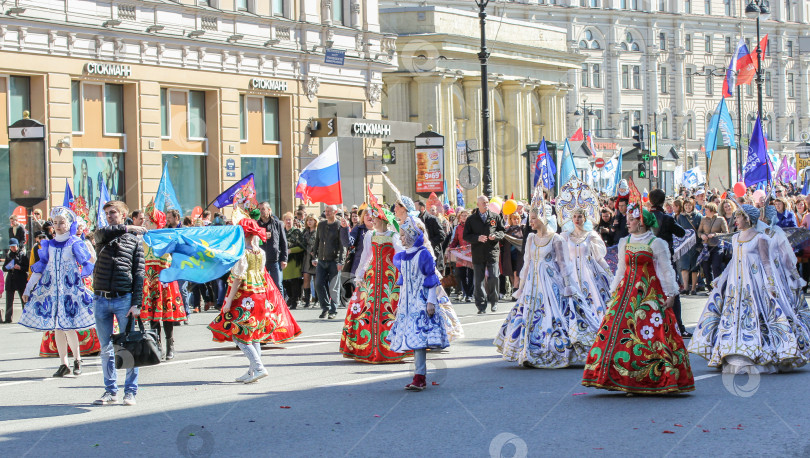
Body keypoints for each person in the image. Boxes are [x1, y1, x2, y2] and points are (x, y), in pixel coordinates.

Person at [582, 202, 694, 394]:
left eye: (632, 220)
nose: (628, 223)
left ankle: (651, 375)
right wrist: (614, 290)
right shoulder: (625, 242)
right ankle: (621, 376)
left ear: (642, 223)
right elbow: (621, 270)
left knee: (650, 334)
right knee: (621, 334)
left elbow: (666, 270)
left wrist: (671, 293)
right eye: (628, 220)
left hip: (650, 295)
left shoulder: (656, 243)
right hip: (626, 294)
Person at [689, 205, 810, 374]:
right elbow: (733, 261)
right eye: (736, 217)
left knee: (757, 316)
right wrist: (721, 278)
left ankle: (759, 352)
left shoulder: (760, 238)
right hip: (737, 284)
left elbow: (766, 262)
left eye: (739, 217)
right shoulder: (735, 237)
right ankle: (734, 351)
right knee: (734, 317)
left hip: (755, 282)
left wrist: (770, 284)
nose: (736, 220)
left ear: (748, 219)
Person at [495, 198, 598, 368]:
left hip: (551, 283)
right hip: (532, 284)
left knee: (553, 316)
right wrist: (520, 287)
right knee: (529, 315)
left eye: (534, 218)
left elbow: (564, 265)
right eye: (530, 218)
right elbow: (526, 264)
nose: (531, 221)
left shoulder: (556, 239)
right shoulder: (530, 238)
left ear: (543, 218)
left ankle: (554, 348)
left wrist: (568, 286)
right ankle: (529, 351)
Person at [19, 207, 95, 377]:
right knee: (57, 328)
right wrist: (28, 288)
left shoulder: (75, 242)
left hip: (70, 291)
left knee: (69, 327)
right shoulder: (49, 244)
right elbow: (39, 269)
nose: (58, 226)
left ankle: (77, 360)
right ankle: (63, 363)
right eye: (55, 223)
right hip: (53, 291)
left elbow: (89, 262)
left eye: (62, 222)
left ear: (69, 224)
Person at [340, 205, 411, 363]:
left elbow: (401, 254)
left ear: (383, 220)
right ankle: (367, 346)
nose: (372, 221)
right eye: (371, 218)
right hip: (372, 277)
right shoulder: (369, 235)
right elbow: (366, 256)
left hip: (388, 278)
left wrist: (404, 274)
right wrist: (359, 274)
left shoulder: (393, 235)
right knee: (367, 309)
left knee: (389, 310)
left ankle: (392, 347)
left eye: (375, 218)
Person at [387, 216, 451, 391]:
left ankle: (420, 377)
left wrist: (430, 302)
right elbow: (403, 283)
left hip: (421, 301)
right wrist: (399, 304)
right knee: (415, 341)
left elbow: (431, 279)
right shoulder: (403, 256)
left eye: (403, 235)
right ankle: (419, 376)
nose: (401, 238)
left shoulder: (423, 254)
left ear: (411, 235)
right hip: (407, 303)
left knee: (419, 341)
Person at [92, 200, 146, 406]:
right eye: (107, 213)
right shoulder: (102, 235)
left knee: (128, 348)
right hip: (101, 298)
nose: (109, 216)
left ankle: (130, 391)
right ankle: (110, 391)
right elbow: (101, 234)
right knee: (106, 349)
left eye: (113, 212)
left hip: (124, 299)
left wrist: (137, 303)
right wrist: (129, 227)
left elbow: (139, 273)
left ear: (123, 214)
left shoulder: (135, 242)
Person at [208, 218, 271, 383]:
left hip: (246, 297)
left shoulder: (242, 253)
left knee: (239, 335)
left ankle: (258, 367)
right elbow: (263, 275)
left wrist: (228, 301)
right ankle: (252, 371)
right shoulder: (260, 252)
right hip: (260, 295)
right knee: (254, 334)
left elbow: (237, 278)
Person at [140, 207, 186, 360]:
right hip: (150, 278)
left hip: (164, 277)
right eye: (144, 220)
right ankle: (157, 344)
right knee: (154, 315)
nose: (144, 223)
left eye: (148, 220)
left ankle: (170, 344)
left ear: (155, 223)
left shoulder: (166, 236)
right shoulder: (143, 237)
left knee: (166, 314)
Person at [648, 189, 689, 337]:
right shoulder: (667, 219)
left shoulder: (644, 217)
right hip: (664, 258)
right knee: (673, 291)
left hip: (648, 258)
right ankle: (678, 326)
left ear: (650, 200)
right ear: (663, 201)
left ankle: (651, 325)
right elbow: (682, 233)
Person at [463, 195, 505, 314]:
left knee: (494, 277)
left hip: (492, 251)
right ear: (478, 205)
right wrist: (477, 238)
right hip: (478, 253)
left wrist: (495, 236)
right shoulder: (471, 219)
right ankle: (481, 306)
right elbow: (466, 235)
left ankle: (494, 301)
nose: (486, 204)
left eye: (487, 202)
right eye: (483, 203)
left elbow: (502, 232)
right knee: (479, 281)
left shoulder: (495, 217)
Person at [313, 205, 345, 319]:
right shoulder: (321, 225)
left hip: (334, 261)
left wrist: (341, 261)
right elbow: (317, 241)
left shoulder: (339, 225)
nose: (326, 213)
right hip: (321, 260)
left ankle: (333, 310)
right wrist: (314, 256)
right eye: (325, 211)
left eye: (329, 211)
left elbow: (342, 246)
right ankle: (325, 307)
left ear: (335, 212)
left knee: (333, 287)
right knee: (319, 284)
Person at [257, 202, 288, 297]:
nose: (261, 211)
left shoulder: (277, 224)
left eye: (263, 209)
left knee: (278, 284)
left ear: (269, 210)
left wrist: (284, 259)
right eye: (259, 209)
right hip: (261, 260)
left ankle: (281, 307)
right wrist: (262, 235)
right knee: (262, 285)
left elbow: (283, 242)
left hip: (275, 260)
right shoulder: (256, 224)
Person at [697, 203, 729, 289]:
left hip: (717, 246)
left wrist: (715, 234)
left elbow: (726, 233)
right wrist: (701, 235)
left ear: (711, 210)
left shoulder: (721, 219)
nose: (705, 211)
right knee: (706, 268)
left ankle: (718, 286)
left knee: (716, 266)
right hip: (706, 246)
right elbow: (699, 231)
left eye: (706, 210)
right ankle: (709, 286)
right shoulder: (704, 219)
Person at [446, 209, 473, 303]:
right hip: (461, 254)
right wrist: (450, 247)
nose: (464, 217)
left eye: (466, 215)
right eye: (462, 215)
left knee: (470, 275)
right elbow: (455, 241)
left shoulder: (472, 227)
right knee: (461, 275)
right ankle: (466, 292)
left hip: (471, 254)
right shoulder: (457, 228)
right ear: (459, 217)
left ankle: (469, 294)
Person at [676, 198, 702, 295]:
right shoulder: (681, 217)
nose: (687, 207)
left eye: (689, 205)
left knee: (695, 267)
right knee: (684, 267)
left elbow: (701, 229)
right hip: (684, 245)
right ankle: (686, 287)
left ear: (693, 206)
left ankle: (693, 288)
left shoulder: (698, 216)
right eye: (686, 205)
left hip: (695, 244)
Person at [281, 212, 305, 309]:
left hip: (295, 260)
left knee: (295, 282)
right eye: (286, 219)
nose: (288, 221)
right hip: (285, 260)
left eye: (290, 219)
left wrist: (291, 250)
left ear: (293, 221)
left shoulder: (297, 232)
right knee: (285, 282)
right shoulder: (281, 232)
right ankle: (291, 298)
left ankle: (295, 300)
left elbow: (302, 247)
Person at [416, 200, 447, 272]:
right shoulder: (415, 221)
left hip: (434, 254)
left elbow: (442, 236)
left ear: (422, 208)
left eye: (416, 208)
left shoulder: (432, 219)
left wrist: (428, 243)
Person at [3, 238, 29, 323]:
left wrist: (20, 267)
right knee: (9, 301)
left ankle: (26, 318)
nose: (13, 248)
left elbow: (27, 267)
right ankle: (8, 318)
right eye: (11, 247)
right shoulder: (8, 255)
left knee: (23, 299)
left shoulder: (23, 255)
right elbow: (4, 268)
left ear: (17, 246)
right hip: (11, 280)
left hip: (21, 280)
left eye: (14, 246)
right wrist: (9, 267)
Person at [301, 214, 318, 308]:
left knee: (316, 280)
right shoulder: (305, 232)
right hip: (306, 258)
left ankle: (317, 300)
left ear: (315, 221)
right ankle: (307, 300)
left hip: (315, 257)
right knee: (306, 278)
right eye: (308, 220)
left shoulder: (318, 232)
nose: (309, 222)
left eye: (311, 220)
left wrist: (315, 253)